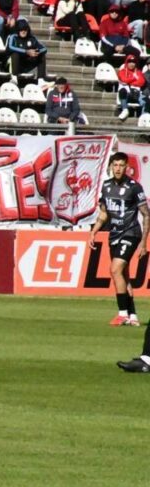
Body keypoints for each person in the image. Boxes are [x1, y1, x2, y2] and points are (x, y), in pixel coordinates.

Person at [89, 152, 148, 326]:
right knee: (123, 275)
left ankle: (122, 314)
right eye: (115, 165)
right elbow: (104, 213)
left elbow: (146, 215)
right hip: (114, 234)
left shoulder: (134, 187)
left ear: (127, 167)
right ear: (111, 167)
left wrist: (144, 242)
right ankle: (133, 316)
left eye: (121, 165)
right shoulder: (106, 186)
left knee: (115, 269)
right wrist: (94, 231)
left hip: (131, 233)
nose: (118, 169)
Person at [116, 54, 148, 119]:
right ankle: (125, 110)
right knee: (122, 90)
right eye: (130, 62)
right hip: (128, 94)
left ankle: (144, 118)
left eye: (133, 62)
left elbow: (141, 82)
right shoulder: (122, 71)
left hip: (137, 93)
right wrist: (134, 78)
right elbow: (124, 80)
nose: (131, 64)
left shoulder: (139, 72)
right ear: (127, 63)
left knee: (146, 101)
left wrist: (130, 81)